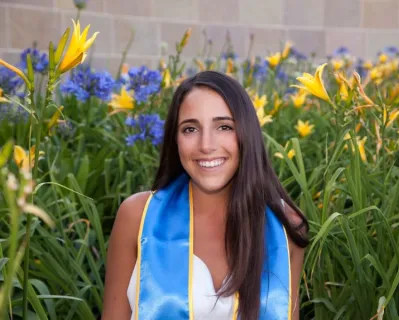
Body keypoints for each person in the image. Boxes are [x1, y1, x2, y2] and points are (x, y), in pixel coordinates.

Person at [102, 71, 309, 320]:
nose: (206, 145)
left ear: (246, 133)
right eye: (190, 129)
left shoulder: (286, 226)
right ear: (175, 139)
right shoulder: (138, 216)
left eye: (224, 127)